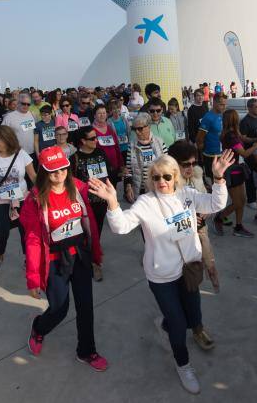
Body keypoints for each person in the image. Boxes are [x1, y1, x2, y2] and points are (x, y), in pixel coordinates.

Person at [88, 151, 234, 394]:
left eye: (167, 176)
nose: (161, 181)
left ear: (175, 176)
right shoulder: (146, 202)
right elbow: (121, 226)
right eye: (156, 178)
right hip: (162, 275)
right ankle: (183, 365)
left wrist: (219, 179)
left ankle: (164, 323)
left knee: (193, 313)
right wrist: (113, 203)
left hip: (188, 269)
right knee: (178, 325)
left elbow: (217, 204)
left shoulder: (186, 195)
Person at [19, 146, 107, 371]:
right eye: (53, 171)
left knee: (85, 306)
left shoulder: (78, 188)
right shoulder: (35, 199)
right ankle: (39, 328)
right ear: (43, 172)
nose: (59, 175)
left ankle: (86, 351)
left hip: (79, 256)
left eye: (63, 169)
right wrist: (33, 277)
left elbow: (91, 224)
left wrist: (96, 253)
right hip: (55, 260)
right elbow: (33, 240)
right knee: (59, 308)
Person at [0, 125, 37, 278]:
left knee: (26, 231)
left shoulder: (22, 154)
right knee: (2, 232)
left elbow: (33, 176)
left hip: (22, 199)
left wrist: (43, 192)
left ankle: (28, 259)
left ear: (7, 138)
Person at [167, 140, 220, 294]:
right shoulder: (167, 184)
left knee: (202, 265)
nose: (191, 167)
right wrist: (188, 218)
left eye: (193, 163)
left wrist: (205, 212)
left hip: (200, 230)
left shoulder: (197, 176)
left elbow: (209, 202)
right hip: (179, 239)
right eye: (186, 164)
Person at [215, 109, 257, 238]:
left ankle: (238, 227)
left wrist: (256, 139)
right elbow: (244, 153)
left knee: (242, 200)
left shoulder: (232, 134)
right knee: (238, 202)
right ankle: (219, 218)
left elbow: (244, 139)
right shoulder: (231, 136)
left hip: (237, 169)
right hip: (232, 171)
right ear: (235, 120)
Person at [72, 125, 114, 281]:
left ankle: (94, 259)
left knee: (97, 232)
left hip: (101, 201)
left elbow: (108, 172)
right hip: (85, 204)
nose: (96, 140)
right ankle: (92, 262)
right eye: (92, 138)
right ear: (82, 141)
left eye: (96, 137)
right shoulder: (75, 158)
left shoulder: (101, 153)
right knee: (87, 233)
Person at [124, 113, 167, 202]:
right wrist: (128, 187)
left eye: (140, 128)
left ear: (148, 126)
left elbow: (167, 166)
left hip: (158, 188)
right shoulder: (131, 145)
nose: (137, 132)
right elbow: (128, 170)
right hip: (140, 191)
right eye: (134, 129)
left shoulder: (159, 142)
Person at [240, 98, 257, 210]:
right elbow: (243, 139)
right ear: (249, 108)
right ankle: (251, 200)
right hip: (249, 153)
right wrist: (256, 140)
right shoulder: (245, 122)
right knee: (250, 177)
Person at [196, 93, 228, 180]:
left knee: (222, 181)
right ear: (214, 103)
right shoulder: (208, 117)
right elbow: (199, 139)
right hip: (211, 156)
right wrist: (203, 155)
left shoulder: (221, 115)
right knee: (214, 183)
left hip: (221, 154)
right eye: (221, 104)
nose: (224, 107)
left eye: (225, 104)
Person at [2, 92, 38, 162]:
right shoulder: (9, 117)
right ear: (18, 103)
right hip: (17, 153)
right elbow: (2, 134)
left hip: (32, 152)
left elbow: (36, 132)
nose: (26, 106)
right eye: (23, 103)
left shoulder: (32, 114)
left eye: (28, 104)